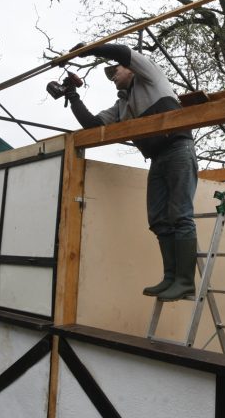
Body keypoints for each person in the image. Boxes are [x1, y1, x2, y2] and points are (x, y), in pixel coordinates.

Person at [62, 43, 198, 302]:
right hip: (157, 158)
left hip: (179, 148)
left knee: (180, 214)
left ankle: (185, 282)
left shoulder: (151, 76)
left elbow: (122, 52)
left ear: (132, 70)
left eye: (116, 71)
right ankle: (170, 277)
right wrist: (72, 95)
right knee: (158, 218)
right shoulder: (122, 106)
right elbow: (92, 125)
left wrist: (90, 50)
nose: (113, 75)